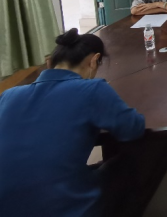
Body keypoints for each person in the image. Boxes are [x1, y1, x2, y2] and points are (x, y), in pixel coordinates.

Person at [0, 29, 145, 217]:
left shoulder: (8, 95)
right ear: (94, 60)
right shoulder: (92, 89)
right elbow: (133, 128)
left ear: (49, 63)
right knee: (126, 164)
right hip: (62, 209)